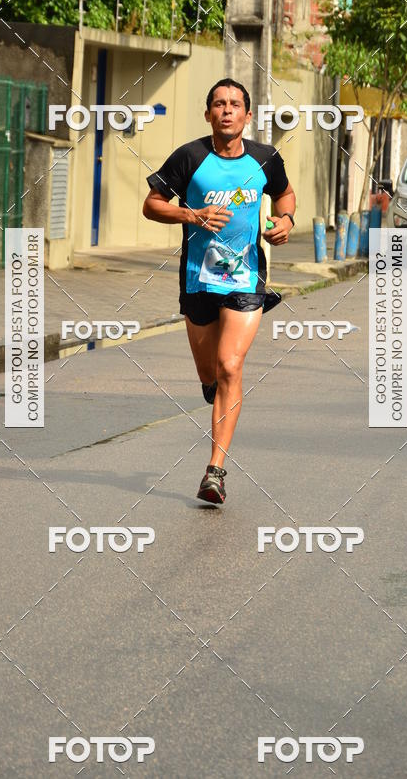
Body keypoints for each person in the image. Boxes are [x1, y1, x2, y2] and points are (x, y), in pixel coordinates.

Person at [143, 78, 296, 504]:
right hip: (198, 279)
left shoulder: (266, 159)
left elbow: (286, 196)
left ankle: (215, 471)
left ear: (248, 116)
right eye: (218, 104)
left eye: (234, 104)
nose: (226, 110)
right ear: (208, 114)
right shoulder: (189, 157)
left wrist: (285, 223)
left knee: (230, 366)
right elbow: (151, 204)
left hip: (246, 279)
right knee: (210, 374)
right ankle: (213, 389)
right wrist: (190, 214)